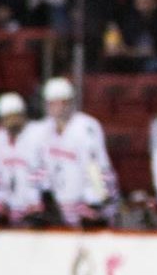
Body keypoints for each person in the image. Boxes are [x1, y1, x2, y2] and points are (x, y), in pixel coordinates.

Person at [25, 76, 115, 227]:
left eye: (62, 102)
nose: (57, 107)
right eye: (52, 103)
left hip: (85, 207)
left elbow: (96, 167)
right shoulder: (41, 130)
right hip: (58, 207)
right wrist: (39, 199)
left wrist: (94, 201)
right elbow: (37, 168)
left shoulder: (86, 127)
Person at [0, 91, 45, 225]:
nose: (12, 122)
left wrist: (39, 203)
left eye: (15, 116)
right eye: (7, 118)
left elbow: (44, 173)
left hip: (35, 210)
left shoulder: (37, 135)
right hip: (10, 211)